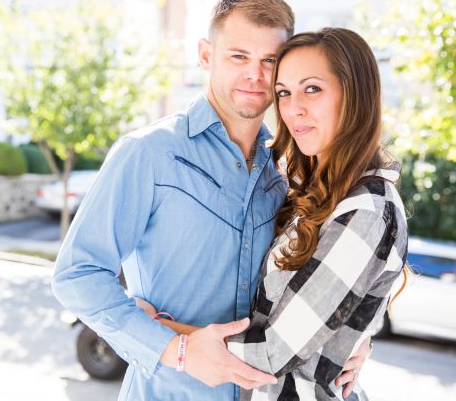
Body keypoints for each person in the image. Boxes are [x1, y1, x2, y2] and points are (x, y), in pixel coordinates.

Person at [51, 0, 372, 401]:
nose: (255, 75)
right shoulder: (149, 154)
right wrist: (177, 350)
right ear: (206, 55)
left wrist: (353, 338)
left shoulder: (293, 168)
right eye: (238, 56)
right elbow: (77, 275)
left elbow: (336, 273)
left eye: (269, 61)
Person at [138, 27, 409, 400]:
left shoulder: (368, 209)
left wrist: (160, 331)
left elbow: (269, 353)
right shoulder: (314, 191)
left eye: (312, 89)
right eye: (283, 93)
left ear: (355, 95)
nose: (293, 108)